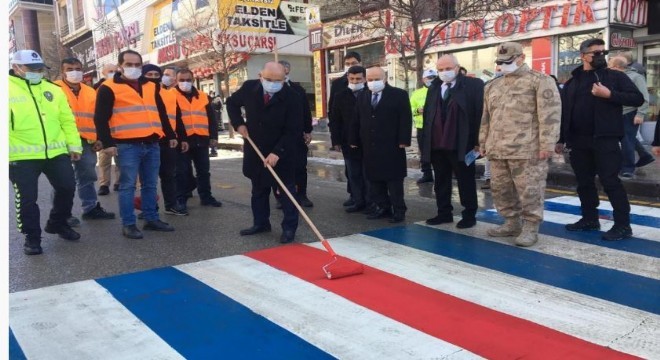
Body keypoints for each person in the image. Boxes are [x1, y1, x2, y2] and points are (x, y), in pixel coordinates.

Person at [556, 38, 644, 241]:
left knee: (610, 181)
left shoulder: (614, 76)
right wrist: (561, 139)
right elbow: (565, 113)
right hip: (578, 141)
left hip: (605, 139)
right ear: (583, 56)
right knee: (584, 183)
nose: (600, 56)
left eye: (602, 53)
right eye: (595, 53)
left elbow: (637, 98)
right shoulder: (572, 82)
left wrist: (609, 94)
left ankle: (623, 225)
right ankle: (589, 219)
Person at [480, 42, 562, 247]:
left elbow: (550, 115)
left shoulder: (539, 81)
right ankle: (511, 222)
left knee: (530, 190)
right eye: (500, 62)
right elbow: (486, 117)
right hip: (498, 149)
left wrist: (547, 144)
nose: (503, 65)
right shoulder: (493, 85)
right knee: (500, 189)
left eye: (507, 61)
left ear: (521, 58)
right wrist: (483, 141)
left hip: (528, 149)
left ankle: (531, 226)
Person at [94, 50, 178, 239]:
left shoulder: (150, 86)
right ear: (120, 66)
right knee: (128, 186)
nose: (133, 68)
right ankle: (129, 224)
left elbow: (161, 112)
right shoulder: (108, 87)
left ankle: (151, 218)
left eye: (137, 65)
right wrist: (107, 143)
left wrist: (170, 134)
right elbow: (100, 118)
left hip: (152, 142)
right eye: (129, 65)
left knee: (149, 184)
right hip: (126, 145)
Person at [9, 50, 83, 255]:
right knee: (27, 199)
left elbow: (66, 120)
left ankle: (57, 223)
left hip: (56, 152)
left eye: (39, 69)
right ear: (16, 68)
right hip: (20, 155)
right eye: (32, 69)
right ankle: (32, 237)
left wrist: (74, 146)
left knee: (67, 187)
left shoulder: (53, 90)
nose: (37, 72)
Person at [227, 62, 303, 243]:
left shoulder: (293, 96)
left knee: (286, 192)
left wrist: (278, 152)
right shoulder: (249, 88)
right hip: (256, 148)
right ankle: (260, 223)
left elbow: (294, 129)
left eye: (278, 81)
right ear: (261, 76)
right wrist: (239, 124)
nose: (272, 84)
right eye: (268, 80)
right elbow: (231, 103)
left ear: (284, 79)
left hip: (282, 151)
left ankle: (289, 228)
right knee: (259, 189)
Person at [422, 55, 484, 229]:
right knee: (440, 180)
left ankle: (469, 214)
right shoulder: (434, 87)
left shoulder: (473, 85)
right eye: (440, 69)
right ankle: (444, 213)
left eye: (447, 68)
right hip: (437, 144)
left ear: (457, 68)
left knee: (466, 180)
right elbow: (428, 114)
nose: (444, 72)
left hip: (463, 143)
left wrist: (479, 141)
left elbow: (480, 114)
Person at [54, 57, 115, 224]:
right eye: (70, 69)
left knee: (87, 175)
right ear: (62, 72)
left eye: (78, 68)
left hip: (86, 140)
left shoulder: (90, 91)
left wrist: (99, 138)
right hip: (61, 140)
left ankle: (90, 208)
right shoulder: (53, 89)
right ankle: (62, 214)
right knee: (62, 179)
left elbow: (97, 117)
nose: (75, 72)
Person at [350, 66, 412, 223]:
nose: (373, 83)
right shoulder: (363, 96)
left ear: (385, 79)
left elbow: (405, 118)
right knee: (375, 181)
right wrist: (353, 140)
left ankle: (399, 210)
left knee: (394, 181)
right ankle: (382, 207)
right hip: (370, 146)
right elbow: (356, 119)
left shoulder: (399, 95)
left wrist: (404, 140)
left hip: (392, 146)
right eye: (370, 80)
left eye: (376, 79)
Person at [142, 64, 190, 216]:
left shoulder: (170, 94)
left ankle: (171, 205)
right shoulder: (139, 94)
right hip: (147, 140)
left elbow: (177, 118)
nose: (154, 78)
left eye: (157, 75)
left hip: (167, 140)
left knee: (169, 174)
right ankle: (148, 207)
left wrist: (181, 137)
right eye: (149, 75)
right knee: (148, 178)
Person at [174, 68, 223, 210]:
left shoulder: (202, 96)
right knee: (181, 172)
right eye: (181, 80)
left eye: (188, 80)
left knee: (203, 171)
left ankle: (206, 197)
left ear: (193, 80)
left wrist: (213, 136)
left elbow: (211, 118)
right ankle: (181, 199)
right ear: (176, 81)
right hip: (182, 140)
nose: (185, 82)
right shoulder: (171, 95)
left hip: (201, 139)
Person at [330, 65, 370, 213]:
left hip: (368, 141)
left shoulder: (370, 93)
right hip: (348, 141)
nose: (355, 81)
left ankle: (370, 202)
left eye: (358, 79)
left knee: (368, 174)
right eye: (352, 78)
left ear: (364, 79)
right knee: (353, 173)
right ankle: (358, 200)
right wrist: (336, 141)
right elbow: (335, 120)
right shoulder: (340, 95)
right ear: (347, 78)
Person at [608, 56, 655, 177]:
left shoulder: (636, 77)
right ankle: (645, 155)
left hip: (630, 112)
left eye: (610, 66)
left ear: (618, 67)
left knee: (626, 141)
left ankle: (627, 168)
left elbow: (644, 97)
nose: (608, 68)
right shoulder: (615, 77)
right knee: (627, 138)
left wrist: (640, 113)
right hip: (617, 113)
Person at [278, 60, 314, 208]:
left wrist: (308, 130)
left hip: (297, 134)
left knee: (300, 166)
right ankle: (282, 197)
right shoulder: (271, 88)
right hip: (278, 136)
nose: (284, 70)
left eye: (286, 68)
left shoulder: (297, 89)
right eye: (281, 68)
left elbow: (305, 111)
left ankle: (302, 195)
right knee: (281, 167)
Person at [328, 51, 361, 207]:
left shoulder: (367, 81)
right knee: (351, 169)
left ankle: (368, 198)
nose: (350, 66)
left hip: (366, 134)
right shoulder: (338, 84)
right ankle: (354, 195)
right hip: (346, 134)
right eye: (347, 64)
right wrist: (336, 139)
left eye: (353, 63)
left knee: (366, 170)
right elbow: (333, 113)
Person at [95, 63, 120, 195]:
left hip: (119, 129)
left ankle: (118, 182)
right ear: (103, 73)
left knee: (119, 159)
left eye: (116, 71)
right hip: (105, 130)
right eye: (110, 71)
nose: (114, 73)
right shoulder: (97, 89)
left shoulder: (121, 87)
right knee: (104, 160)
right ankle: (104, 184)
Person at [410, 69, 437, 184]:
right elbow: (410, 109)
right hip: (421, 127)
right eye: (429, 78)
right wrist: (417, 110)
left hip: (436, 127)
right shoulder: (417, 93)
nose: (431, 80)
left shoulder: (440, 90)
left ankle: (440, 173)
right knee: (424, 152)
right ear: (423, 79)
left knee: (437, 152)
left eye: (434, 77)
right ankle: (427, 174)